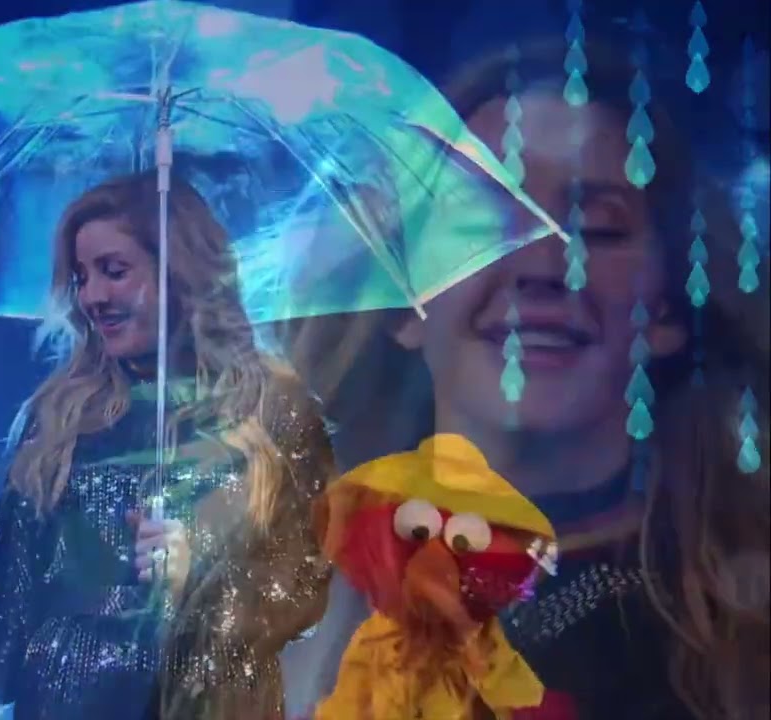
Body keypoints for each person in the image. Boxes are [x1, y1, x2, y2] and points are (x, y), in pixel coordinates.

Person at [281, 40, 769, 720]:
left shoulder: (746, 632)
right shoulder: (275, 592)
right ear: (404, 305)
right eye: (480, 221)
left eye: (597, 229)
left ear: (666, 310)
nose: (542, 264)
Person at [0, 170, 336, 720]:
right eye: (80, 277)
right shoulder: (61, 417)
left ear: (181, 271)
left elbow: (304, 581)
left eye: (114, 271)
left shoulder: (272, 408)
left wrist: (199, 581)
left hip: (216, 703)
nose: (92, 296)